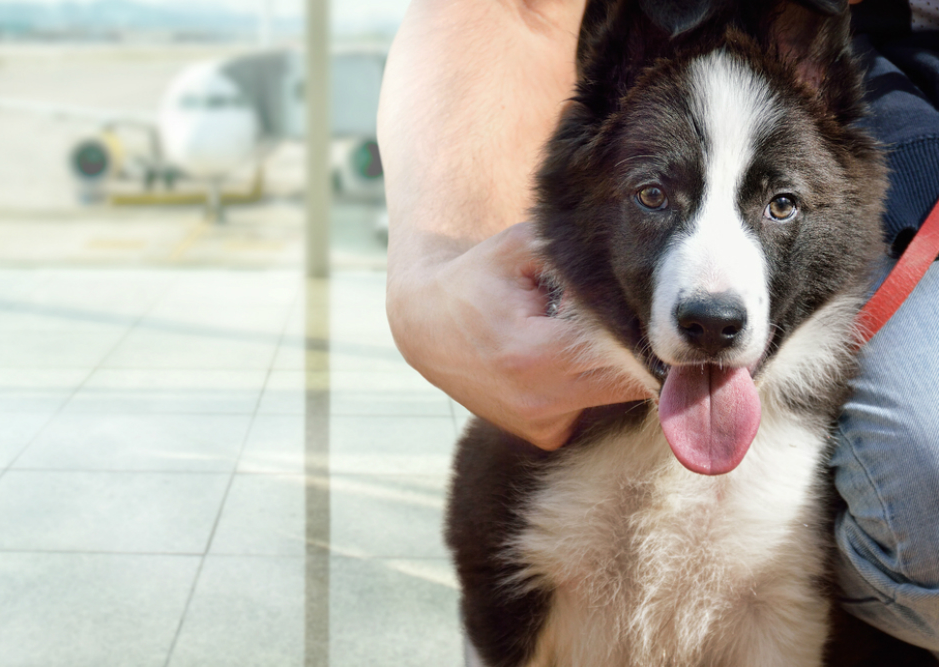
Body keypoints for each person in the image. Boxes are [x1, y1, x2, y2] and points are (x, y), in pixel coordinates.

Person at [378, 0, 939, 654]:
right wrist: (432, 272)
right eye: (653, 195)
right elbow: (515, 10)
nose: (712, 294)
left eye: (779, 202)